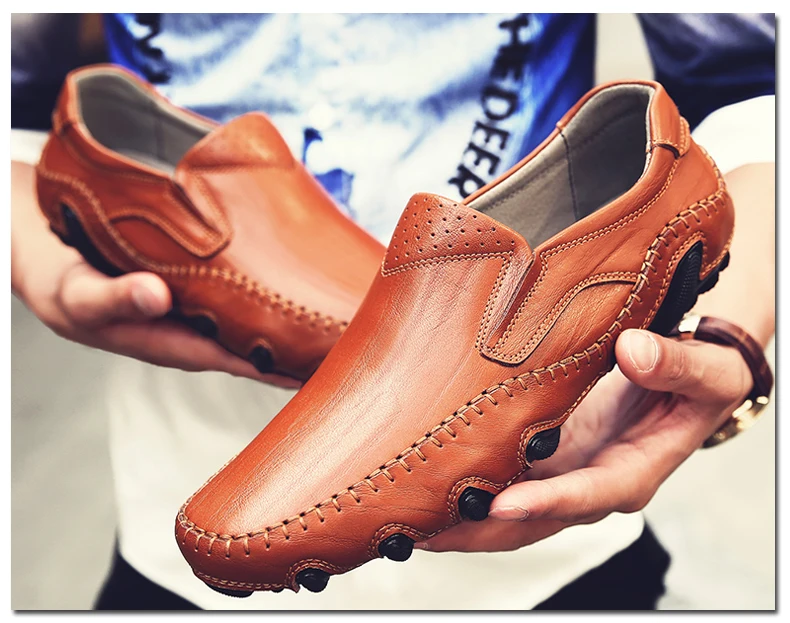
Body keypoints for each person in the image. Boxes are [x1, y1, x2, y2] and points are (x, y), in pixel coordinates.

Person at [11, 13, 775, 610]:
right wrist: (34, 257)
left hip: (551, 546)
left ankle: (626, 231)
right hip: (187, 457)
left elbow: (756, 79)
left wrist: (731, 338)